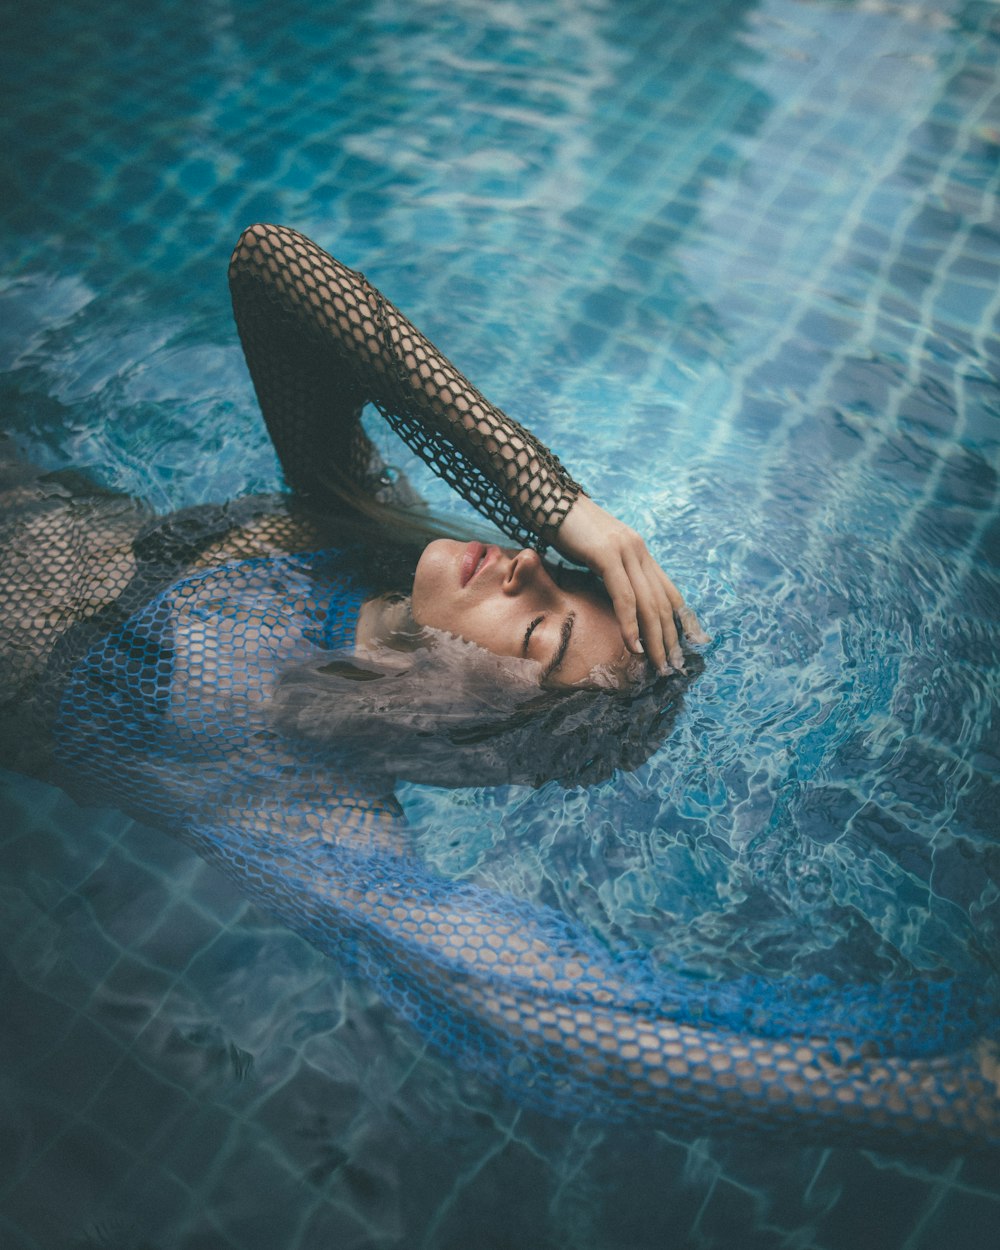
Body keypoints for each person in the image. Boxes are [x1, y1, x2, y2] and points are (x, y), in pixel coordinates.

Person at [0, 226, 995, 1151]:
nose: (521, 563)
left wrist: (941, 1095)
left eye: (538, 628)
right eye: (553, 574)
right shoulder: (348, 522)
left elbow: (549, 1012)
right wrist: (556, 499)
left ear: (474, 729)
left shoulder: (296, 789)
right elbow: (272, 265)